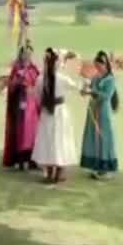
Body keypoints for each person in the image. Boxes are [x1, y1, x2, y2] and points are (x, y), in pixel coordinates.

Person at [31, 47, 79, 184]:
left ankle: (49, 173)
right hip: (60, 112)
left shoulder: (40, 79)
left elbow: (36, 96)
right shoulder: (62, 78)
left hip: (47, 112)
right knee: (60, 139)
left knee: (48, 140)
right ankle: (58, 172)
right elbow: (76, 87)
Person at [80, 50, 120, 180]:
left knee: (104, 137)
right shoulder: (95, 77)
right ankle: (95, 166)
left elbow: (106, 95)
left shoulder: (110, 79)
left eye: (99, 65)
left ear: (105, 64)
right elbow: (90, 91)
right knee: (93, 137)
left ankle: (105, 168)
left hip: (103, 112)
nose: (97, 68)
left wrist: (93, 91)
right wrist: (84, 91)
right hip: (93, 110)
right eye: (96, 66)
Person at [1, 43, 41, 171]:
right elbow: (11, 84)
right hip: (21, 102)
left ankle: (32, 159)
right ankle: (20, 160)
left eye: (29, 53)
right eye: (25, 53)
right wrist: (19, 81)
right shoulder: (17, 68)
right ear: (21, 54)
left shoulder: (34, 68)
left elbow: (39, 83)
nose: (27, 55)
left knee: (33, 131)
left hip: (33, 104)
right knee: (21, 130)